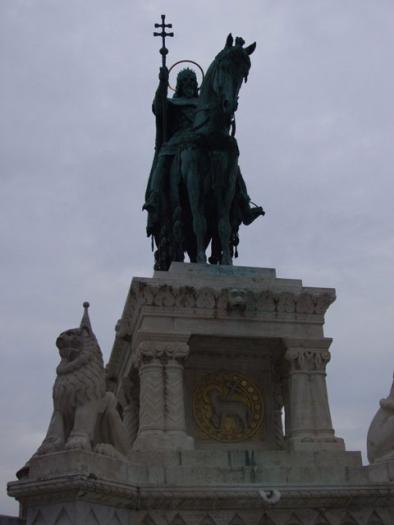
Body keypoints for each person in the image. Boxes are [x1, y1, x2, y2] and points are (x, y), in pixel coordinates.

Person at [143, 65, 263, 265]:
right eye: (186, 81)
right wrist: (163, 83)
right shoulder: (173, 102)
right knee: (163, 159)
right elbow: (159, 108)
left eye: (192, 81)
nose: (190, 84)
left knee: (231, 160)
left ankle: (243, 200)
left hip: (204, 141)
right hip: (178, 142)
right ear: (179, 85)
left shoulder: (203, 103)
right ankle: (155, 197)